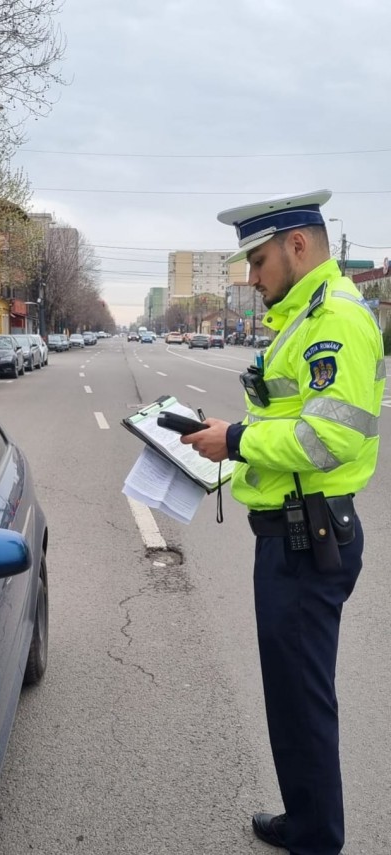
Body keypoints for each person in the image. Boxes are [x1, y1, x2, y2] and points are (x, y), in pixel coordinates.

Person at [180, 190, 385, 855]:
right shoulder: (300, 320)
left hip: (311, 540)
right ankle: (305, 821)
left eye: (259, 260)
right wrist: (224, 454)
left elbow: (329, 440)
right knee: (291, 698)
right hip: (292, 534)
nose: (251, 276)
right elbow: (284, 425)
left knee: (303, 700)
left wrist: (234, 440)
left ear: (299, 245)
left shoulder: (337, 321)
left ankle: (317, 839)